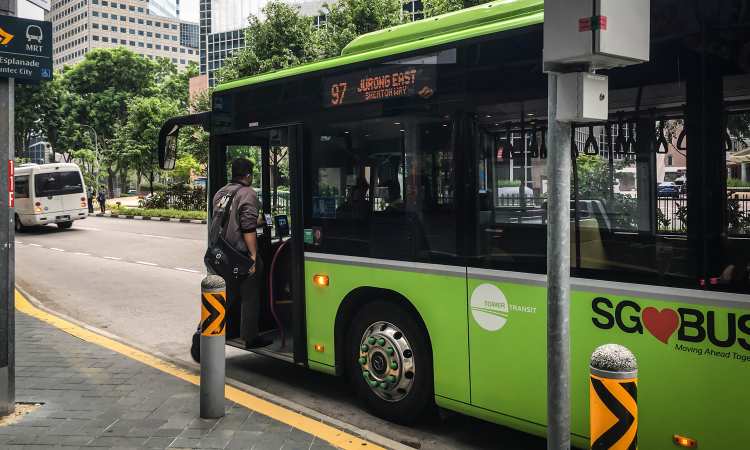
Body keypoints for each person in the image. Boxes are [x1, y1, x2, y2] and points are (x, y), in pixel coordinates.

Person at [211, 158, 271, 348]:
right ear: (248, 175)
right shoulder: (248, 193)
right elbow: (247, 229)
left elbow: (228, 220)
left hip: (222, 254)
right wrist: (253, 256)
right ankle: (250, 336)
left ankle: (204, 332)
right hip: (241, 255)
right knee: (250, 295)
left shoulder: (221, 192)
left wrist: (255, 222)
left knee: (225, 297)